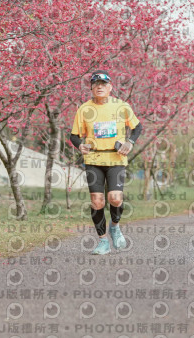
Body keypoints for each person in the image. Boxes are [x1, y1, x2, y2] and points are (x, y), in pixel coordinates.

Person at [70, 70, 142, 255]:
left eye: (103, 84)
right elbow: (74, 135)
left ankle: (115, 227)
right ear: (91, 88)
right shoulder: (84, 109)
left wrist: (130, 142)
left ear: (110, 87)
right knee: (97, 201)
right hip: (93, 159)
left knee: (115, 198)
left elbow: (137, 127)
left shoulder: (122, 106)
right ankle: (103, 241)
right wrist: (80, 145)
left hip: (116, 158)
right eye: (96, 84)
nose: (99, 87)